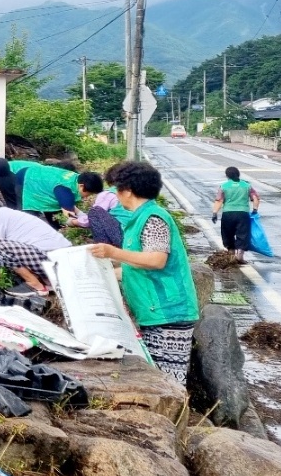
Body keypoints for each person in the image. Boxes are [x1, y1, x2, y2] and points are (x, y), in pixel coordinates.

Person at [89, 161, 200, 384]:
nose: (116, 195)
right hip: (155, 311)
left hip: (168, 311)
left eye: (116, 189)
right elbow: (135, 266)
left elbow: (156, 260)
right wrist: (101, 274)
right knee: (157, 376)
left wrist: (113, 252)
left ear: (128, 190)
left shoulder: (153, 219)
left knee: (168, 381)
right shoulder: (139, 219)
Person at [0, 188, 70, 297]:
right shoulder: (7, 213)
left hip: (52, 261)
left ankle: (35, 284)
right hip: (62, 258)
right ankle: (46, 281)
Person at [212, 166, 260, 263]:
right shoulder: (247, 185)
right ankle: (240, 256)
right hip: (243, 214)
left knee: (228, 234)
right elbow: (255, 198)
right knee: (242, 234)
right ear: (238, 174)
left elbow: (219, 200)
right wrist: (255, 210)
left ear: (227, 175)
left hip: (228, 214)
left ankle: (231, 255)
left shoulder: (224, 186)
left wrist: (215, 213)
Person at [9, 159, 80, 226]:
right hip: (14, 174)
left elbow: (51, 204)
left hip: (30, 177)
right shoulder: (60, 183)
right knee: (26, 215)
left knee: (49, 205)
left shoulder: (59, 177)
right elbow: (67, 213)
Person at [68, 171, 123, 246]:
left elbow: (89, 220)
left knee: (95, 212)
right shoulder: (127, 191)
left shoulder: (106, 195)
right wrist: (77, 211)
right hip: (130, 234)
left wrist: (73, 222)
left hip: (121, 237)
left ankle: (103, 247)